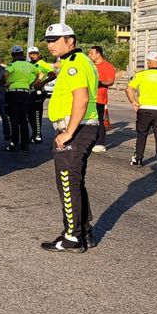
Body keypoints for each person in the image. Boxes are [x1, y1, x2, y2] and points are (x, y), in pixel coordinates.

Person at [39, 23, 99, 253]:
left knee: (67, 182)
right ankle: (83, 231)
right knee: (75, 182)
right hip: (82, 128)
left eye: (56, 40)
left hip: (77, 130)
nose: (51, 44)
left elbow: (81, 99)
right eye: (48, 40)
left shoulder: (75, 64)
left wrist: (68, 133)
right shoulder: (76, 62)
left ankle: (72, 236)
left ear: (70, 41)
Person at [3, 45, 40, 151]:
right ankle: (25, 144)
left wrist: (5, 83)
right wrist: (32, 84)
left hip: (13, 93)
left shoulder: (12, 65)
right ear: (22, 54)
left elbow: (5, 74)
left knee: (14, 119)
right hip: (25, 93)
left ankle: (14, 143)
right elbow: (40, 74)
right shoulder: (29, 65)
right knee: (23, 119)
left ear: (13, 55)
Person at [87, 45, 116, 153]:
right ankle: (90, 141)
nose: (89, 55)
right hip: (88, 98)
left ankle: (100, 143)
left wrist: (100, 83)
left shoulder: (107, 66)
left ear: (98, 54)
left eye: (91, 53)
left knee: (99, 121)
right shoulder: (91, 66)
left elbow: (110, 80)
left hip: (99, 98)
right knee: (89, 121)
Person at [28, 46, 57, 144]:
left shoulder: (42, 63)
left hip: (38, 92)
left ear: (39, 54)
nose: (33, 55)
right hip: (30, 92)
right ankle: (34, 134)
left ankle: (38, 136)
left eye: (35, 53)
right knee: (30, 115)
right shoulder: (31, 64)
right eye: (31, 53)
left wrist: (42, 82)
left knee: (36, 114)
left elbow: (53, 74)